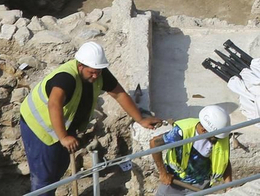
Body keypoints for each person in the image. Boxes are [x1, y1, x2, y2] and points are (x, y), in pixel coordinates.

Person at [18, 42, 162, 193]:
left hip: (65, 126)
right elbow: (54, 104)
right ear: (80, 65)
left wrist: (140, 119)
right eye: (92, 72)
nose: (95, 76)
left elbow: (119, 94)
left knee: (58, 169)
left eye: (98, 72)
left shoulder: (99, 73)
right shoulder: (66, 78)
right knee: (44, 178)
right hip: (39, 127)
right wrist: (63, 137)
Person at [151, 106, 234, 194]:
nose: (218, 140)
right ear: (203, 130)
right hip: (174, 180)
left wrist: (229, 189)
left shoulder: (221, 136)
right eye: (215, 137)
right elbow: (154, 143)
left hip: (201, 184)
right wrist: (163, 173)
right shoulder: (182, 132)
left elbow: (223, 161)